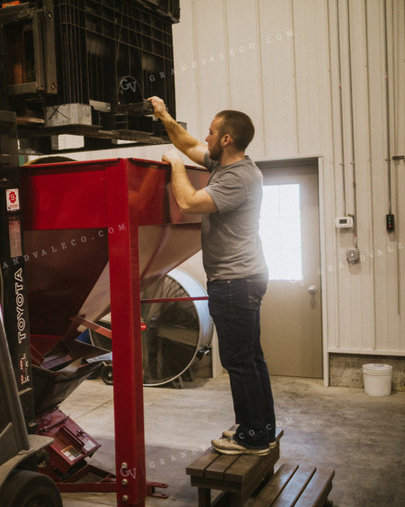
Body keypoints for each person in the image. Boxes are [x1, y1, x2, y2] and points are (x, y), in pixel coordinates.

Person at [148, 96, 275, 456]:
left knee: (238, 360)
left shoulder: (238, 178)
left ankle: (252, 437)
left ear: (226, 140)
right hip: (245, 277)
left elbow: (187, 201)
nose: (204, 138)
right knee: (252, 357)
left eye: (210, 132)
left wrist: (174, 165)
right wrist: (163, 115)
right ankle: (262, 426)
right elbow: (186, 143)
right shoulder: (225, 166)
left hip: (235, 281)